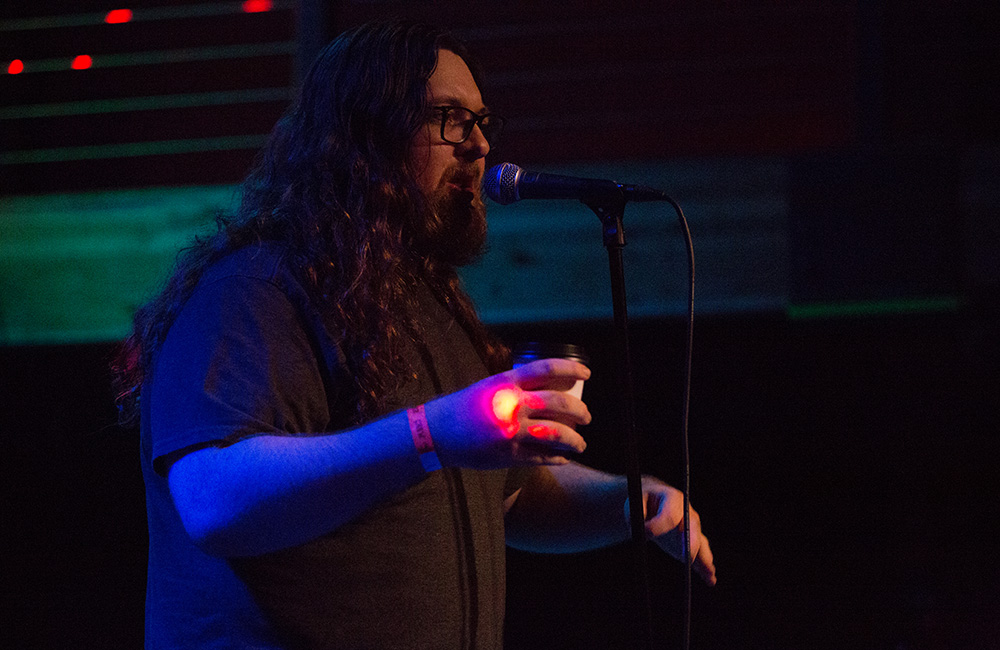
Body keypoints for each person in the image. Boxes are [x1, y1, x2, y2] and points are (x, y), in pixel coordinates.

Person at [113, 20, 715, 650]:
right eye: (450, 119)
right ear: (365, 135)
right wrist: (430, 433)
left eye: (483, 121)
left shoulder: (432, 304)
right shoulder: (258, 289)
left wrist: (624, 502)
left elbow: (506, 499)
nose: (480, 146)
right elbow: (214, 499)